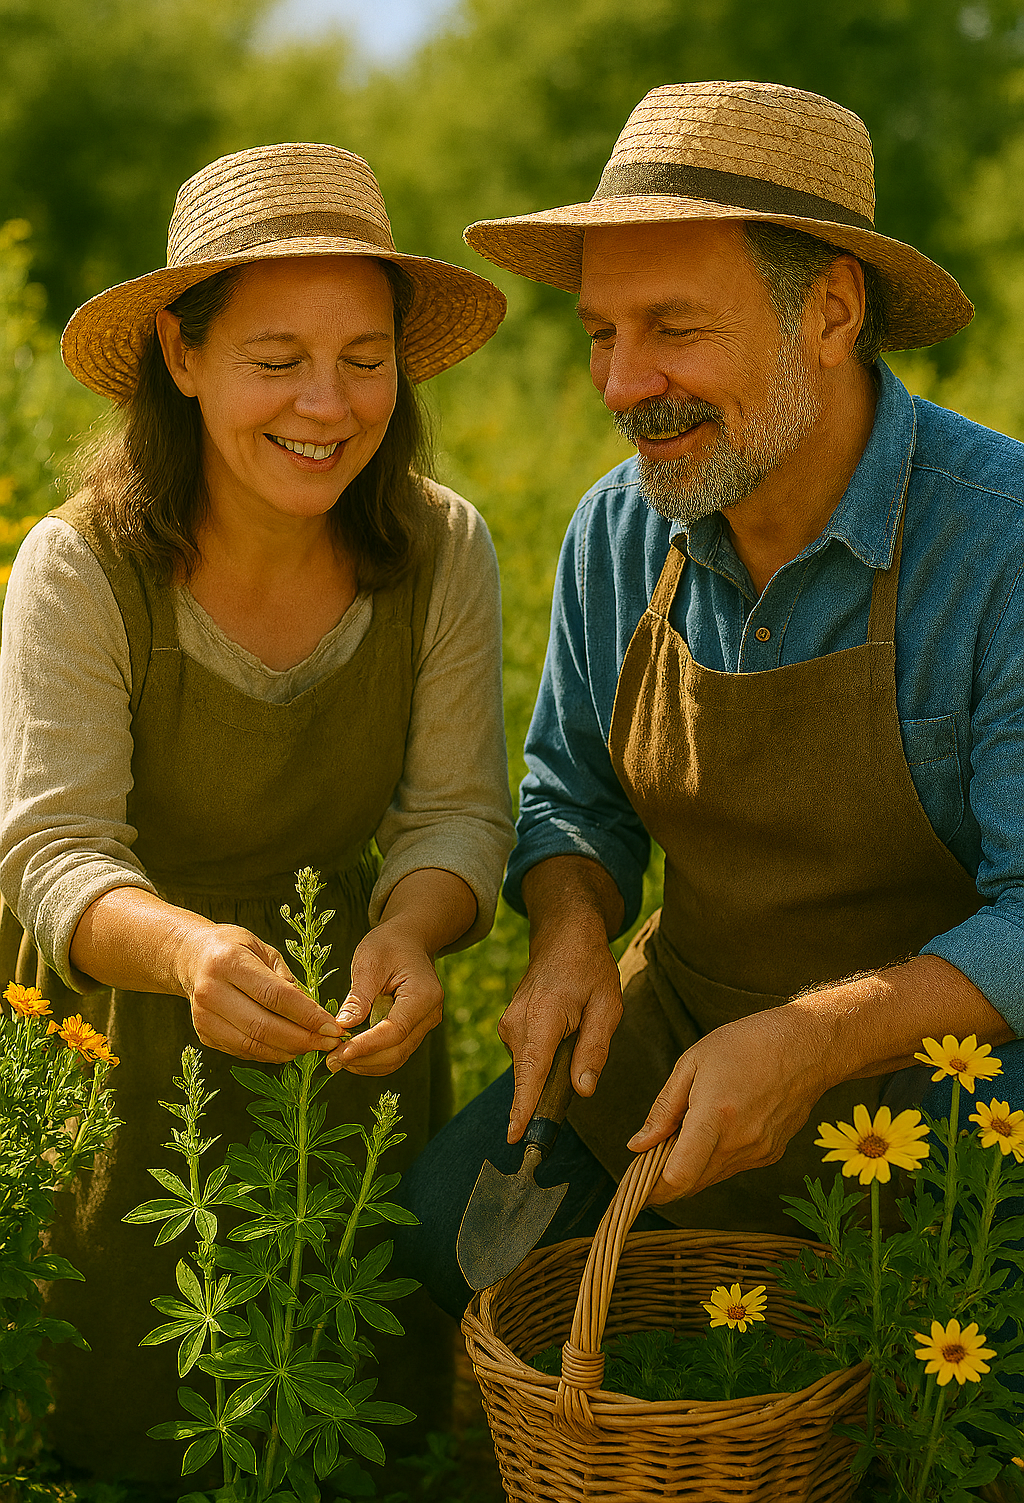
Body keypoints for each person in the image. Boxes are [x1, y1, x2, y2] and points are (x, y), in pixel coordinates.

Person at [396, 81, 1024, 1319]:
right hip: (680, 1025)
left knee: (950, 1374)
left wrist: (809, 1041)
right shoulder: (617, 530)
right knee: (424, 1248)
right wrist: (572, 934)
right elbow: (571, 798)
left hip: (946, 1067)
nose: (625, 384)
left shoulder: (996, 544)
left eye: (673, 328)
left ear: (831, 311)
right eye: (598, 333)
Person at [0, 142, 515, 1485]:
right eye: (275, 356)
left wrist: (414, 929)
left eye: (364, 356)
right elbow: (52, 854)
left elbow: (457, 815)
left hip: (353, 1036)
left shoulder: (442, 545)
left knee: (354, 1415)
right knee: (128, 1428)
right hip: (120, 1038)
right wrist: (191, 956)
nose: (328, 404)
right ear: (182, 353)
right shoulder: (80, 564)